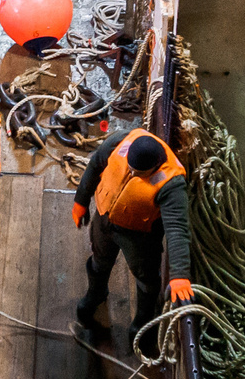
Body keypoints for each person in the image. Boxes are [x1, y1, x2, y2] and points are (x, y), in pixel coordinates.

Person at [71, 126, 193, 351]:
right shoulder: (121, 141)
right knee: (99, 260)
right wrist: (81, 200)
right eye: (131, 169)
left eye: (139, 173)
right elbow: (96, 164)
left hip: (140, 237)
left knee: (145, 279)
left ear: (155, 166)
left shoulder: (171, 183)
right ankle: (96, 293)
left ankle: (143, 322)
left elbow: (177, 229)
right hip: (105, 218)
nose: (133, 174)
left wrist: (179, 274)